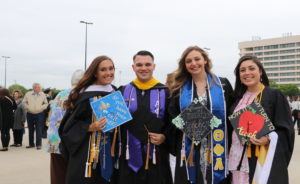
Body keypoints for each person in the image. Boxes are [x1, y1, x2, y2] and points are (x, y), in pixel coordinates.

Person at [168, 46, 234, 184]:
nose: (193, 63)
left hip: (217, 145)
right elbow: (172, 115)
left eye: (197, 59)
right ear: (184, 65)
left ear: (205, 60)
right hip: (190, 147)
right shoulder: (179, 88)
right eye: (188, 61)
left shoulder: (222, 84)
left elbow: (231, 113)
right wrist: (188, 126)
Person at [228, 55, 294, 184]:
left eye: (251, 68)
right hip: (236, 160)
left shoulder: (274, 95)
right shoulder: (237, 99)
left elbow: (286, 129)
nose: (247, 73)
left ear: (260, 71)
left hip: (258, 159)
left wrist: (268, 138)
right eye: (242, 70)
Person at [116, 50, 173, 184]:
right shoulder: (123, 91)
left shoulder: (166, 92)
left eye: (148, 64)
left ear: (154, 66)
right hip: (128, 157)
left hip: (156, 157)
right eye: (139, 65)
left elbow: (172, 124)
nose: (143, 68)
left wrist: (164, 137)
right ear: (133, 67)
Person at [59, 56, 117, 184]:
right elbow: (67, 129)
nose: (108, 73)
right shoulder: (84, 95)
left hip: (110, 152)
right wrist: (89, 127)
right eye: (103, 70)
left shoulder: (115, 93)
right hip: (86, 154)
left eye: (111, 68)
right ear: (95, 73)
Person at [46, 69, 84, 184]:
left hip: (54, 141)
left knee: (58, 176)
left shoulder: (60, 94)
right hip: (70, 143)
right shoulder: (80, 94)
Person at [22, 83, 48, 150]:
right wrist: (28, 108)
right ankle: (31, 144)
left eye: (40, 87)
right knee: (30, 129)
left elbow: (46, 103)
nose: (39, 88)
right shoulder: (28, 94)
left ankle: (38, 145)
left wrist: (41, 108)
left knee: (39, 129)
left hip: (39, 114)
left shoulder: (42, 94)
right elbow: (24, 102)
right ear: (34, 88)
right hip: (30, 113)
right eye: (38, 87)